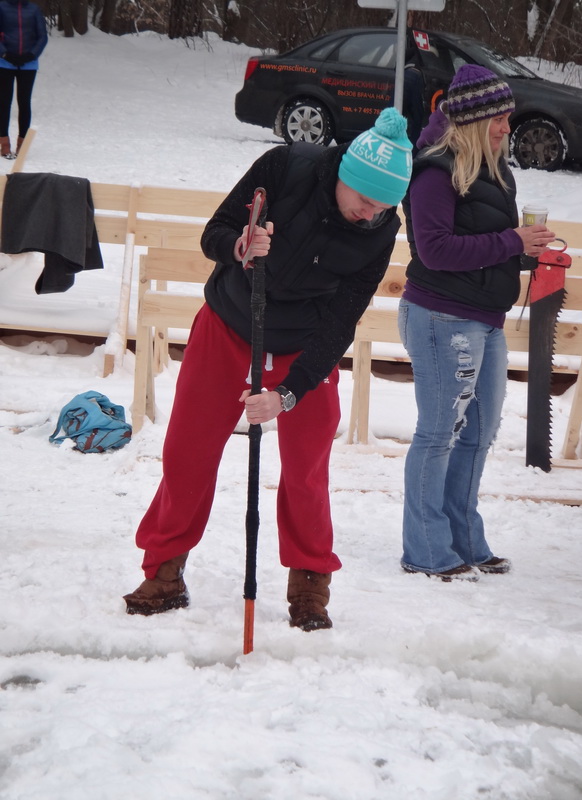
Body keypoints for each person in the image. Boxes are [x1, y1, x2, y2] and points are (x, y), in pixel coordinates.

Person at [124, 107, 413, 630]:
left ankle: (309, 583)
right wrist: (239, 247)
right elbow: (216, 230)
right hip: (231, 322)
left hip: (305, 346)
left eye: (383, 207)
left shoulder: (378, 231)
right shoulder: (286, 168)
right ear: (345, 172)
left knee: (306, 467)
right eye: (365, 200)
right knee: (188, 450)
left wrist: (289, 394)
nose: (370, 214)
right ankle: (164, 570)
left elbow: (342, 320)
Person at [398, 64, 555, 582]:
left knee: (479, 432)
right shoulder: (435, 172)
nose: (508, 128)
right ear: (472, 119)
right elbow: (437, 250)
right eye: (500, 119)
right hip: (441, 314)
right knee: (440, 431)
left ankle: (464, 537)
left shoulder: (496, 170)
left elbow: (484, 245)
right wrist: (513, 242)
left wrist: (528, 255)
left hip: (485, 318)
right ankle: (425, 548)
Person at [0, 0, 47, 159]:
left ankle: (22, 145)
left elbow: (42, 36)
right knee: (4, 102)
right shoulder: (2, 6)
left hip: (28, 64)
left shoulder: (34, 9)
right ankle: (4, 144)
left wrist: (31, 55)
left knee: (24, 102)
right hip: (5, 62)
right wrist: (4, 54)